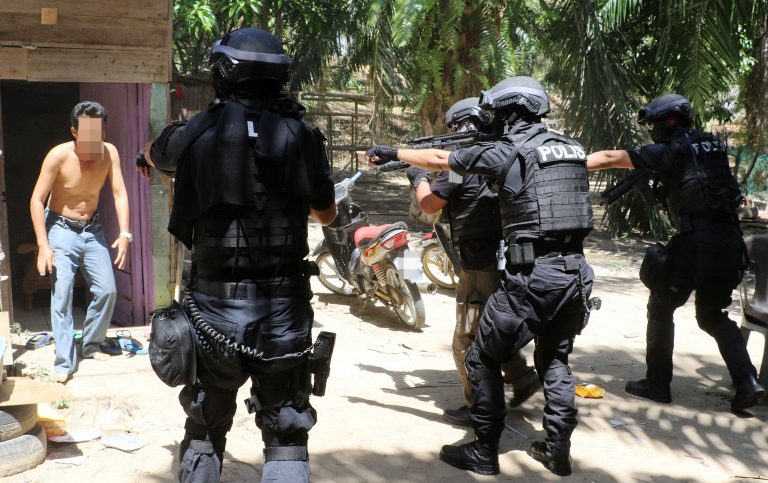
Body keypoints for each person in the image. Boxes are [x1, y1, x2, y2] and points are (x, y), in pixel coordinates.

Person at [367, 76, 595, 476]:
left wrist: (393, 153)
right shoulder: (570, 148)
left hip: (531, 276)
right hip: (575, 274)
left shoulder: (506, 151)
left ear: (510, 112)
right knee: (556, 361)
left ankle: (484, 450)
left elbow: (440, 165)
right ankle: (558, 451)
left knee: (480, 355)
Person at [138, 28, 336, 483]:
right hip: (283, 312)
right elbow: (326, 214)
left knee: (205, 431)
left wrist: (148, 157)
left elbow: (153, 155)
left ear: (223, 72)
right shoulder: (304, 137)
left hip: (213, 313)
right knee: (286, 437)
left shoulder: (194, 133)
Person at [587, 94, 766, 412]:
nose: (652, 130)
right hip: (729, 242)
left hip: (696, 243)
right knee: (712, 315)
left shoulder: (669, 150)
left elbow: (612, 157)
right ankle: (747, 381)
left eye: (654, 124)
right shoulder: (712, 145)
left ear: (666, 122)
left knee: (660, 306)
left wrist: (563, 161)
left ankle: (658, 384)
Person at [408, 97, 539, 427]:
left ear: (461, 125)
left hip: (479, 263)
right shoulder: (500, 154)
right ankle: (522, 377)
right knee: (492, 324)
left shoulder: (461, 163)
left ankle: (479, 407)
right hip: (508, 257)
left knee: (465, 339)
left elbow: (429, 205)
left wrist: (418, 177)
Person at [30, 101, 129, 384]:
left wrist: (125, 234)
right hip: (60, 228)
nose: (95, 140)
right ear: (74, 132)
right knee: (62, 294)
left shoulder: (109, 153)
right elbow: (37, 200)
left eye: (99, 133)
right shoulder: (58, 156)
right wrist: (43, 245)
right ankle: (64, 361)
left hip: (92, 229)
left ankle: (91, 344)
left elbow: (119, 193)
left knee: (107, 290)